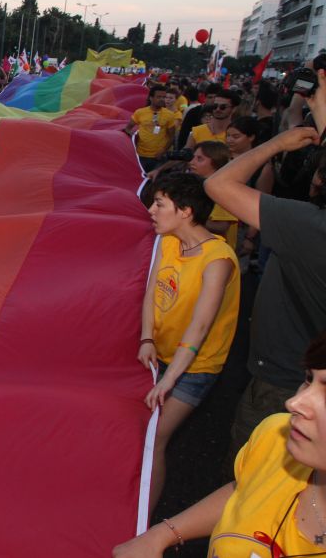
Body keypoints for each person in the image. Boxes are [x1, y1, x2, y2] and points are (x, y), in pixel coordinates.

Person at [113, 333, 326, 557]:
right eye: (308, 380)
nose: (293, 402)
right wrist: (161, 535)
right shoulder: (278, 437)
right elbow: (247, 488)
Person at [204, 68, 326, 459]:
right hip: (302, 374)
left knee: (251, 481)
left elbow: (219, 186)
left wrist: (277, 144)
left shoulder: (309, 227)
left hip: (285, 382)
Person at [138, 171, 239, 516]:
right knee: (142, 431)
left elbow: (200, 326)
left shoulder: (218, 260)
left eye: (160, 203)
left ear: (185, 211)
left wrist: (169, 380)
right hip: (162, 353)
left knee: (154, 440)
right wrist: (146, 337)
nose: (151, 209)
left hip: (195, 367)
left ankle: (142, 524)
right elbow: (152, 290)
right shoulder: (167, 241)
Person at [124, 85, 177, 172]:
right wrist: (132, 137)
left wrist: (163, 151)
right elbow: (128, 128)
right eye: (159, 97)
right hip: (140, 155)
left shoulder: (169, 115)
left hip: (158, 157)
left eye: (164, 97)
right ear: (151, 98)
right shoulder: (140, 112)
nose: (162, 99)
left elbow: (172, 137)